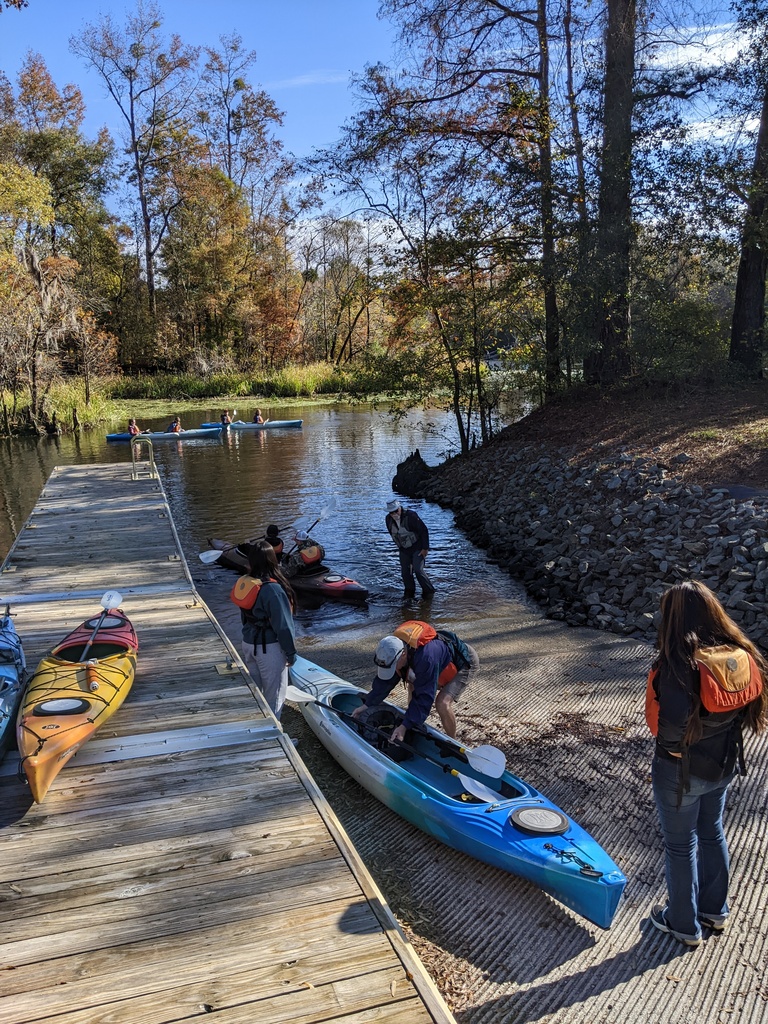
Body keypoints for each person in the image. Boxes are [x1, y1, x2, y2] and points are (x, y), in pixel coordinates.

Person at [646, 580, 766, 947]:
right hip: (724, 762)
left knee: (681, 846)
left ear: (674, 619)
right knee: (712, 832)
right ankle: (715, 910)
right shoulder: (738, 654)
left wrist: (673, 754)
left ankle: (682, 923)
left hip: (680, 770)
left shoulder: (680, 665)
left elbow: (669, 730)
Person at [352, 620, 478, 740]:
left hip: (464, 662)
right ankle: (410, 722)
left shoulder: (426, 658)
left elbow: (425, 697)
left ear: (403, 655)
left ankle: (453, 741)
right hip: (435, 660)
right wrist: (366, 704)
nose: (393, 669)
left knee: (442, 702)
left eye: (394, 666)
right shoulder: (393, 649)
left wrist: (404, 725)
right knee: (412, 684)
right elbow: (385, 682)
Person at [236, 539, 297, 718]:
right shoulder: (273, 590)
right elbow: (283, 626)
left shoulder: (246, 583)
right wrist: (291, 653)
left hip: (248, 644)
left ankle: (258, 729)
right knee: (275, 696)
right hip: (268, 649)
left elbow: (244, 617)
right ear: (272, 560)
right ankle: (275, 735)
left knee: (257, 693)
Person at [385, 499, 435, 599]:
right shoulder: (388, 519)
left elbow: (424, 531)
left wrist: (425, 548)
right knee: (405, 573)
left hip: (418, 548)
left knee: (418, 570)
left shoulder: (411, 516)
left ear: (400, 508)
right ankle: (409, 593)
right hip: (404, 549)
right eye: (391, 512)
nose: (394, 514)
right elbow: (393, 534)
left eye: (396, 511)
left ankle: (429, 592)